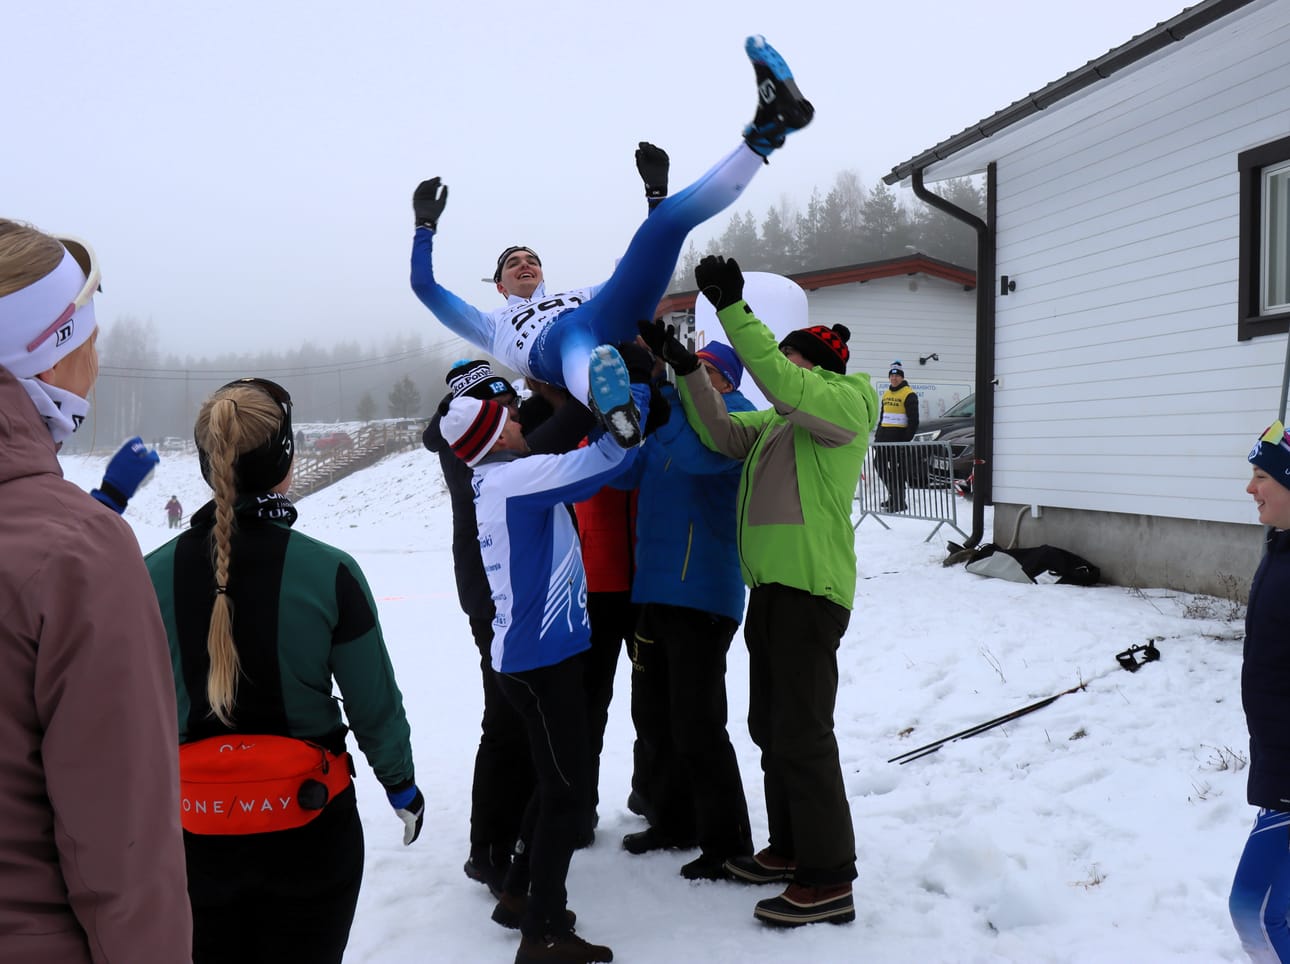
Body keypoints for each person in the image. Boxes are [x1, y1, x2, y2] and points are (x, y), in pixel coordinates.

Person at [410, 34, 814, 445]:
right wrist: (424, 226)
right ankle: (610, 405)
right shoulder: (490, 325)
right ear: (500, 285)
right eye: (513, 263)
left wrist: (655, 196)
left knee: (665, 226)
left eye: (531, 258)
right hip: (553, 348)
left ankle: (768, 130)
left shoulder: (580, 294)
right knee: (573, 337)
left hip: (606, 316)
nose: (524, 264)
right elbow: (424, 288)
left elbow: (645, 262)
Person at [145, 376, 422, 964]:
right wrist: (399, 783)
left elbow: (121, 711)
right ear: (286, 459)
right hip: (309, 828)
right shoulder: (329, 571)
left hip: (191, 834)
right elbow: (374, 702)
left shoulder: (147, 576)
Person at [641, 254, 879, 927]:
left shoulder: (848, 405)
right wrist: (686, 369)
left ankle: (829, 876)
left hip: (811, 593)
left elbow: (777, 379)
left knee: (804, 733)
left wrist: (734, 311)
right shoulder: (778, 427)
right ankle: (790, 846)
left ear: (816, 370)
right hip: (772, 592)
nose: (784, 373)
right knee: (770, 727)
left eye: (793, 363)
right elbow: (718, 429)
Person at [0, 219, 192, 962]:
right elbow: (124, 851)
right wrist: (87, 529)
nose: (99, 357)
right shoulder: (78, 555)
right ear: (46, 355)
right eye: (88, 336)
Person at [438, 350, 649, 964]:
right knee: (565, 791)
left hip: (536, 654)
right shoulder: (513, 479)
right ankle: (543, 930)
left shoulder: (498, 475)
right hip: (540, 660)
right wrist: (622, 404)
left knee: (551, 779)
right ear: (489, 437)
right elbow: (603, 461)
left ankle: (520, 892)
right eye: (504, 420)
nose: (517, 422)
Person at [423, 360, 591, 896]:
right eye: (509, 407)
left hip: (496, 587)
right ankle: (492, 847)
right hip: (492, 592)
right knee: (507, 718)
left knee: (516, 718)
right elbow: (549, 438)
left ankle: (513, 838)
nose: (519, 413)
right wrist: (587, 400)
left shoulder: (483, 433)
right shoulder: (474, 445)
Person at [613, 339, 757, 882]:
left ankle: (727, 842)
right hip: (653, 589)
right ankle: (672, 820)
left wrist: (665, 408)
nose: (677, 383)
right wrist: (612, 424)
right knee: (653, 716)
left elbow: (701, 459)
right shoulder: (669, 419)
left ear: (720, 381)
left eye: (693, 374)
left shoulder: (737, 420)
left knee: (698, 724)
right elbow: (626, 473)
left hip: (703, 594)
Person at [1229, 419, 1290, 961]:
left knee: (1255, 910)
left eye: (1261, 475)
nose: (1251, 488)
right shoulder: (1282, 547)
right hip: (1278, 768)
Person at [874, 361, 919, 512]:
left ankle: (900, 501)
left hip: (898, 439)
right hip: (883, 438)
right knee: (879, 465)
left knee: (897, 470)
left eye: (897, 376)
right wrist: (878, 436)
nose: (894, 378)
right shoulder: (886, 393)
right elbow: (883, 416)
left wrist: (906, 440)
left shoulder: (908, 394)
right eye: (892, 376)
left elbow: (914, 420)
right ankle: (894, 496)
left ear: (902, 377)